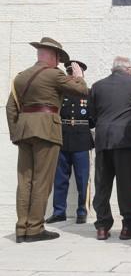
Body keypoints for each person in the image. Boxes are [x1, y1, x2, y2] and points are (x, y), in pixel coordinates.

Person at [6, 37, 88, 243]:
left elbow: (11, 107)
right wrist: (79, 76)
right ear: (52, 56)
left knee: (24, 181)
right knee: (42, 181)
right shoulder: (53, 74)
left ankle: (21, 227)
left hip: (24, 131)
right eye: (59, 58)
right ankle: (34, 228)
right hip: (46, 130)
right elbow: (81, 91)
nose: (59, 62)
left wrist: (16, 132)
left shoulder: (21, 77)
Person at [90, 56, 131, 241]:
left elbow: (92, 114)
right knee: (126, 185)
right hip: (125, 140)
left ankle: (102, 227)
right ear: (128, 69)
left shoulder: (98, 85)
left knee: (102, 184)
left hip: (103, 139)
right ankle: (128, 227)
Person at [46, 60, 94, 225]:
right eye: (69, 73)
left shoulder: (89, 93)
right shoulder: (59, 94)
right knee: (59, 178)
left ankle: (82, 211)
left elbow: (93, 119)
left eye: (75, 74)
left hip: (81, 140)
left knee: (82, 179)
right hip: (62, 138)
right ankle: (59, 212)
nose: (72, 77)